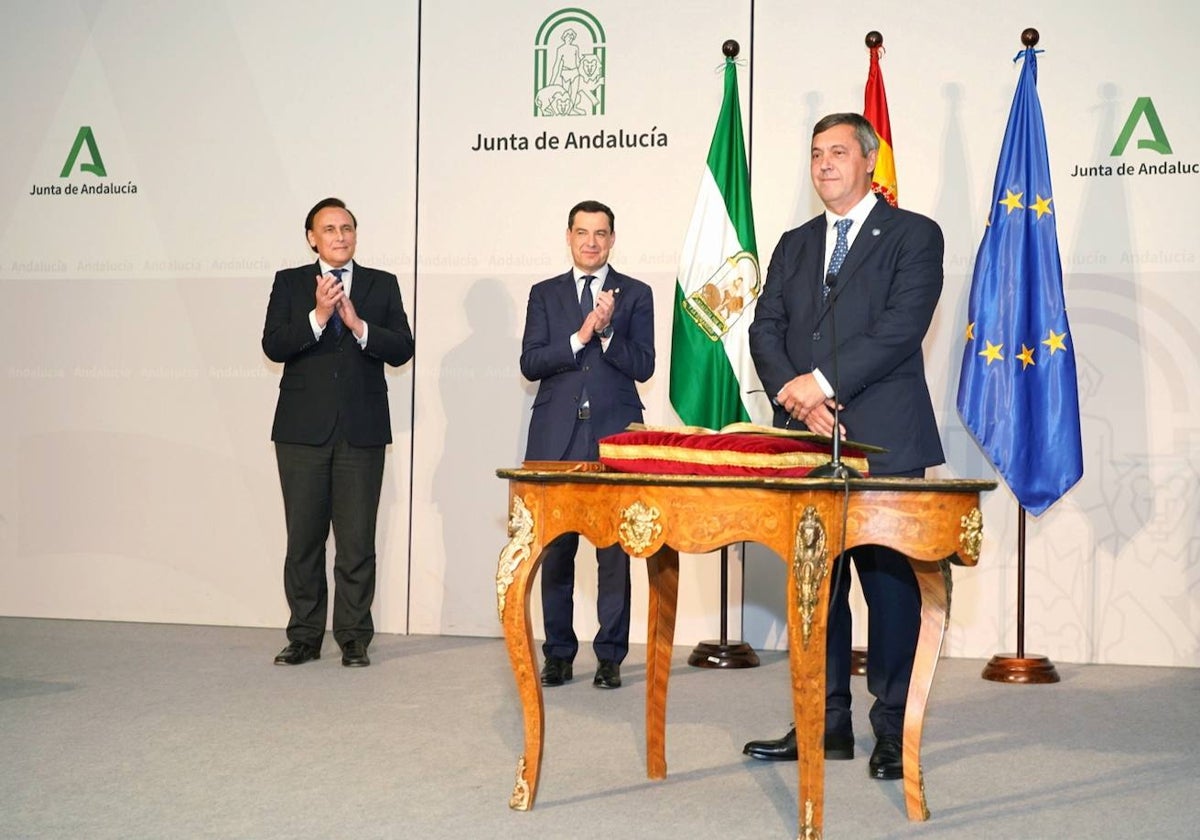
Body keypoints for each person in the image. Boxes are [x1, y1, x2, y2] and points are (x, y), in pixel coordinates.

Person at [744, 114, 945, 780]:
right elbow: (764, 326)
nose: (824, 164)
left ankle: (890, 728)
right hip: (805, 440)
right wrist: (796, 396)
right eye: (814, 154)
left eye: (837, 152)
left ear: (867, 160)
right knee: (814, 587)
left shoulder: (913, 234)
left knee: (890, 591)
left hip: (885, 438)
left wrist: (821, 381)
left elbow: (900, 328)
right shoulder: (795, 243)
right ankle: (822, 722)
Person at [262, 197, 414, 668]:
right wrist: (319, 317)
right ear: (312, 238)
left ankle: (353, 637)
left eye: (347, 227)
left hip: (361, 432)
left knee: (356, 540)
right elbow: (274, 344)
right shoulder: (290, 283)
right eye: (329, 229)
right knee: (303, 538)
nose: (340, 236)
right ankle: (304, 636)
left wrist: (359, 325)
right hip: (301, 433)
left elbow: (402, 348)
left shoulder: (381, 284)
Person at [519, 200, 655, 690]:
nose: (591, 242)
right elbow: (531, 362)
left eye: (601, 233)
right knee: (555, 552)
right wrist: (580, 336)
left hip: (614, 437)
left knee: (613, 553)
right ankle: (557, 653)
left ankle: (610, 656)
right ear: (569, 237)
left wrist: (610, 329)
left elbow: (644, 365)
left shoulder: (637, 294)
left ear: (613, 239)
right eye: (583, 233)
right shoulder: (544, 294)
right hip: (556, 439)